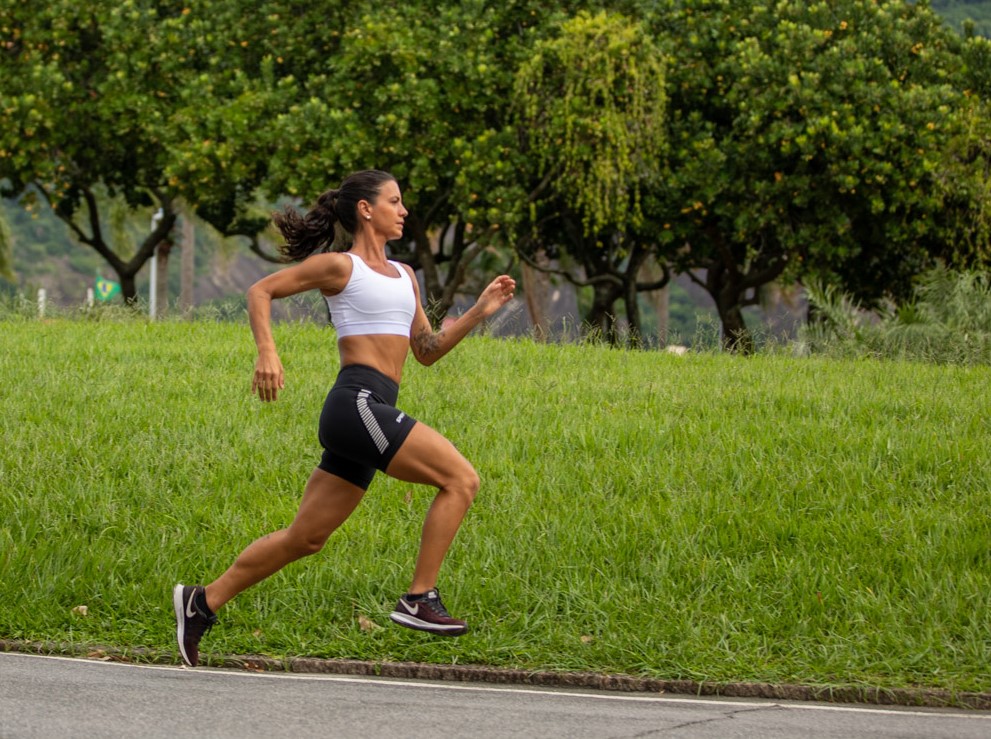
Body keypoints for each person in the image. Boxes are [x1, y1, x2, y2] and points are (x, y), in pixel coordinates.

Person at [173, 169, 516, 668]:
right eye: (394, 201)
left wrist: (478, 312)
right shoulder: (341, 267)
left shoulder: (405, 275)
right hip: (357, 404)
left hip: (368, 411)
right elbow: (260, 291)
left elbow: (427, 350)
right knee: (460, 480)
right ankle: (420, 598)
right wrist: (267, 353)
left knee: (305, 538)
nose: (403, 211)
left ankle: (201, 602)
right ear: (365, 209)